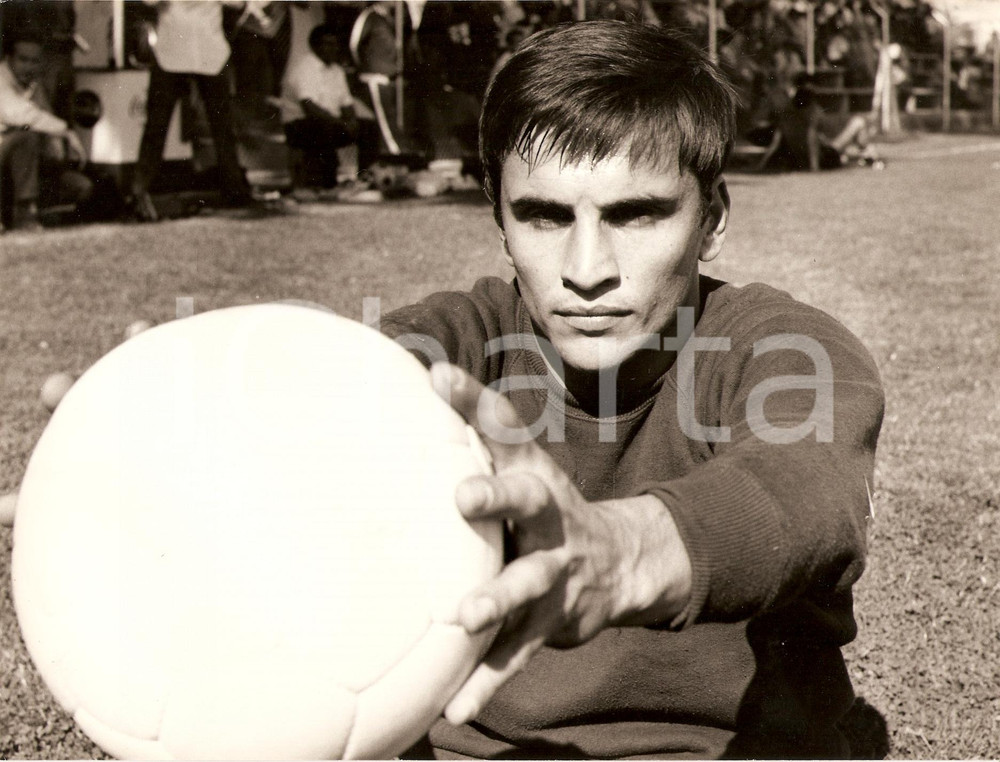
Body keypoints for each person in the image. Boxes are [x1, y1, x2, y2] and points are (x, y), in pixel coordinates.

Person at [375, 21, 885, 758]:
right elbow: (335, 387)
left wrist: (621, 552)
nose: (587, 269)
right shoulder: (463, 341)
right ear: (500, 224)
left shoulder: (784, 347)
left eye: (636, 213)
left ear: (711, 220)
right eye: (545, 216)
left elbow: (803, 490)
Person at [127, 0, 252, 222]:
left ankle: (235, 190)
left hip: (209, 53)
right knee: (157, 125)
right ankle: (139, 192)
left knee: (222, 127)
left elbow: (238, 2)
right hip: (172, 54)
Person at [0, 35, 90, 232]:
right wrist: (65, 131)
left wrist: (56, 139)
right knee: (26, 138)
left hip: (24, 168)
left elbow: (45, 119)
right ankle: (25, 214)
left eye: (34, 61)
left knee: (82, 186)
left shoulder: (34, 85)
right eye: (23, 59)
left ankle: (34, 214)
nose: (29, 67)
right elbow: (24, 116)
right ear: (8, 59)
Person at [280, 23, 378, 190]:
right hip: (300, 124)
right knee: (323, 128)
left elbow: (346, 103)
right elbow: (309, 107)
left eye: (336, 44)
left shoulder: (336, 71)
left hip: (329, 121)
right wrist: (341, 123)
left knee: (368, 128)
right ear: (315, 46)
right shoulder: (305, 67)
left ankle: (365, 178)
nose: (334, 48)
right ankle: (326, 182)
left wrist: (351, 120)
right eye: (328, 44)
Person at [756, 74, 881, 172]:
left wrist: (761, 165)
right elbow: (811, 138)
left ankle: (865, 153)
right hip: (820, 158)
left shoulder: (786, 112)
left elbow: (776, 142)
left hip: (801, 158)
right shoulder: (811, 112)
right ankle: (868, 153)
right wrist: (814, 167)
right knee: (858, 122)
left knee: (847, 134)